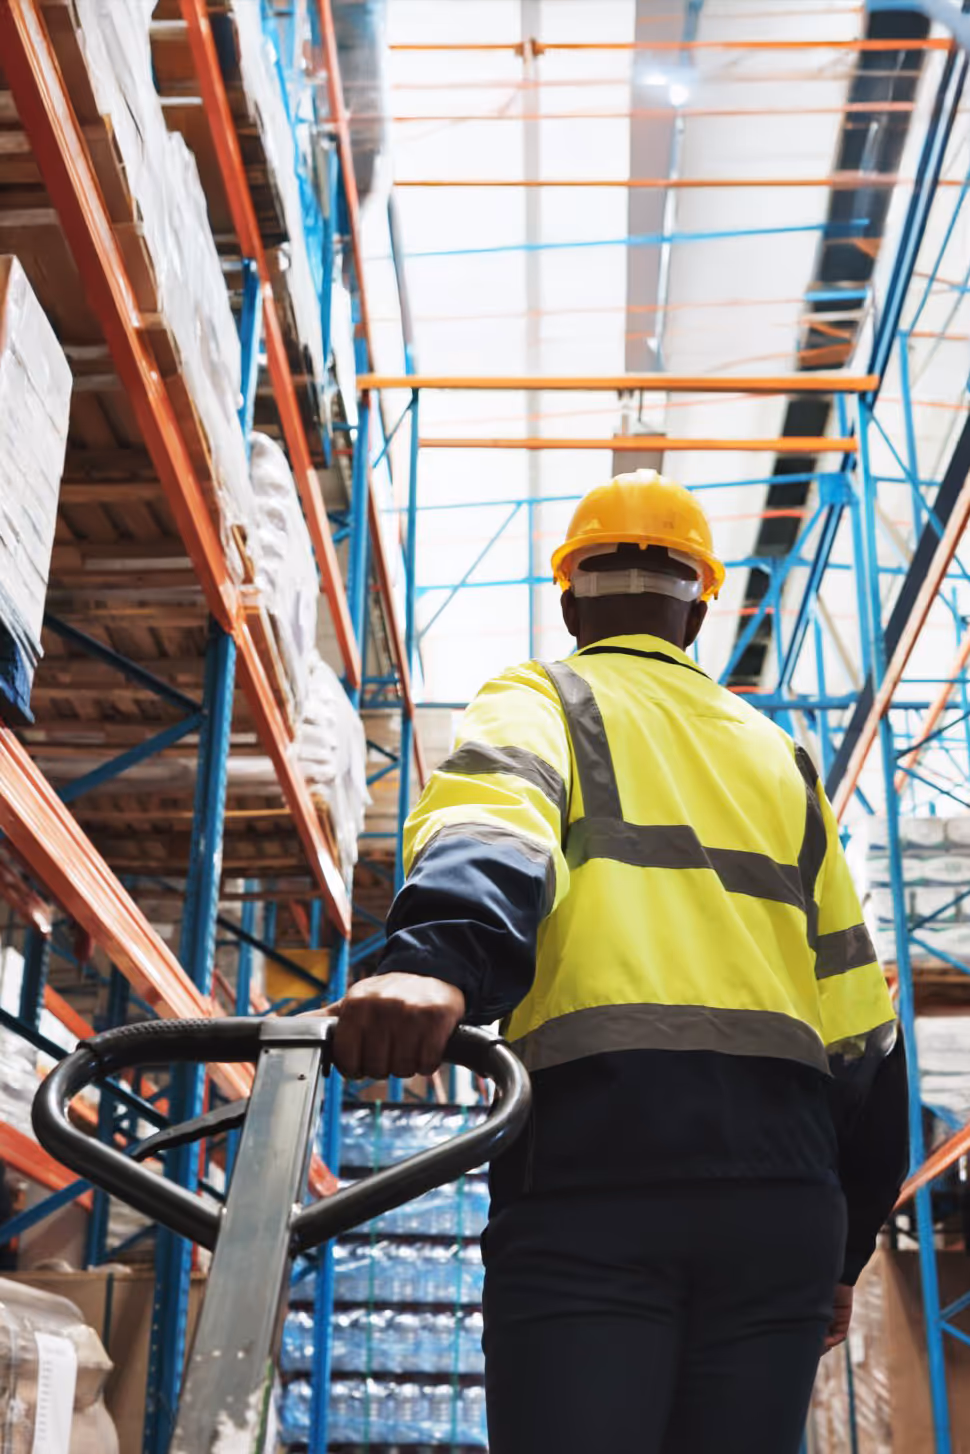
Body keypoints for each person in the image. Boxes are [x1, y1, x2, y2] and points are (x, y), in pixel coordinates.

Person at [328, 471, 909, 1454]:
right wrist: (844, 1248)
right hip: (782, 1207)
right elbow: (860, 1021)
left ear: (568, 602)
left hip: (597, 1181)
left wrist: (435, 959)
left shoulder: (545, 695)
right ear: (700, 608)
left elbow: (492, 815)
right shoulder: (780, 755)